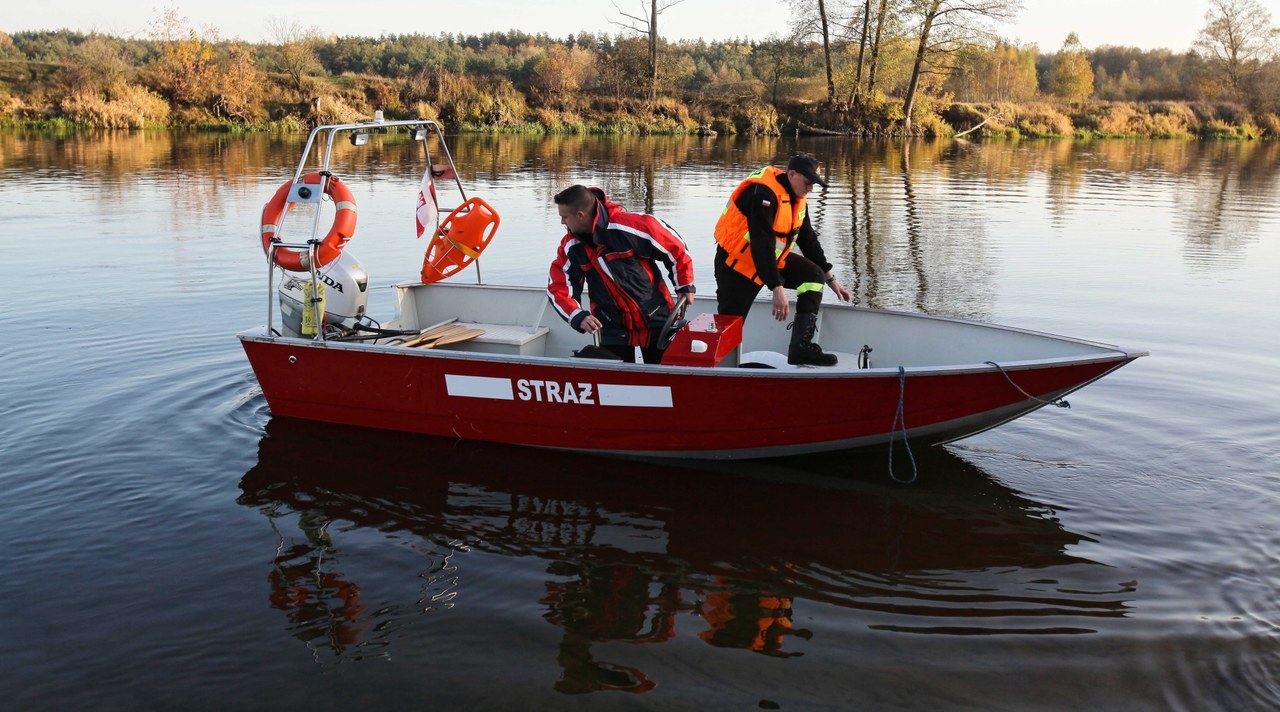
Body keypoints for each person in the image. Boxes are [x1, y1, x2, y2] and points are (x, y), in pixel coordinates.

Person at [713, 154, 852, 366]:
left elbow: (808, 240)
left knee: (813, 277)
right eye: (807, 183)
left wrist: (831, 279)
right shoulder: (763, 194)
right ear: (792, 174)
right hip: (736, 268)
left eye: (813, 185)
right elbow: (761, 242)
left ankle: (801, 348)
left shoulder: (798, 198)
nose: (810, 189)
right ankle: (718, 372)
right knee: (730, 327)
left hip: (769, 262)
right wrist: (776, 286)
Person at [548, 185, 697, 364]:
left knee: (667, 377)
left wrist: (684, 285)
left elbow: (676, 248)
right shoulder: (571, 248)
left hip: (657, 320)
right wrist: (578, 316)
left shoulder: (630, 226)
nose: (562, 222)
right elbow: (558, 287)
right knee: (612, 385)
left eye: (564, 217)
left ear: (580, 215)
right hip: (612, 328)